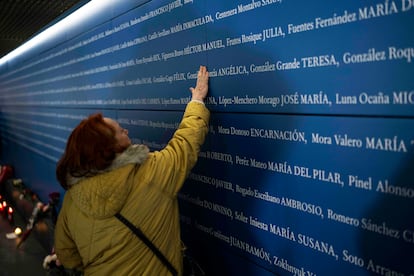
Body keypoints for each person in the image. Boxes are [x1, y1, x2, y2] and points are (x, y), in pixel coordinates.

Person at [54, 65, 210, 275]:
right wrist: (197, 100)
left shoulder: (73, 199)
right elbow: (185, 145)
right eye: (119, 131)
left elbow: (68, 257)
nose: (125, 130)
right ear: (109, 148)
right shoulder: (150, 171)